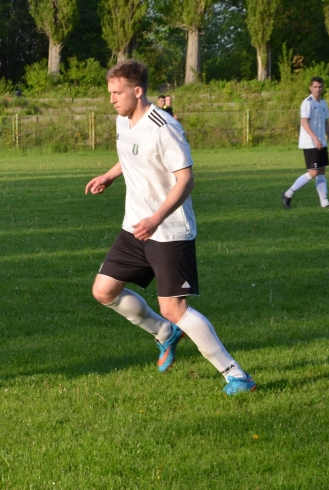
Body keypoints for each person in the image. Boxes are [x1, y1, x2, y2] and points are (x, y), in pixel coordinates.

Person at [85, 60, 256, 396]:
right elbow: (133, 154)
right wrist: (110, 175)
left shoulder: (164, 126)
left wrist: (156, 218)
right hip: (135, 226)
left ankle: (236, 375)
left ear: (138, 91)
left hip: (168, 231)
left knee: (174, 307)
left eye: (117, 93)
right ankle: (164, 334)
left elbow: (185, 179)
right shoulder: (124, 120)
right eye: (110, 93)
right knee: (104, 291)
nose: (112, 100)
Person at [282, 77, 329, 209]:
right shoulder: (307, 103)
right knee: (313, 172)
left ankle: (325, 202)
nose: (318, 89)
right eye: (315, 87)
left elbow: (326, 123)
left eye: (320, 87)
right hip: (310, 143)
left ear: (323, 88)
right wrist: (315, 138)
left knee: (321, 171)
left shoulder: (323, 103)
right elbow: (304, 122)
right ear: (310, 88)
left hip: (321, 143)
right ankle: (288, 194)